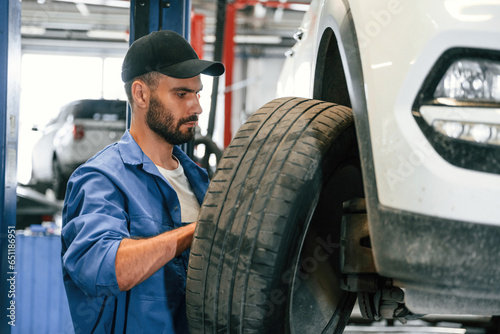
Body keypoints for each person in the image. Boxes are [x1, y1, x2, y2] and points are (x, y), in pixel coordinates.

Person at [61, 30, 224, 333]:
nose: (197, 107)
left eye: (197, 93)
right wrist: (198, 231)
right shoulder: (101, 179)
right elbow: (105, 268)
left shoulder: (200, 180)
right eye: (181, 94)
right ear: (141, 94)